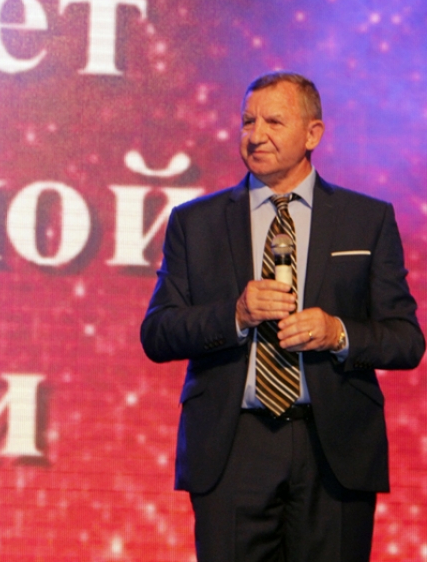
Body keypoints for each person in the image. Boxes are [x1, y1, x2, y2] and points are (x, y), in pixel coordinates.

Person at [140, 72, 424, 561]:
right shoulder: (196, 222)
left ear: (313, 134)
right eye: (247, 121)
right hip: (234, 446)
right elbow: (158, 332)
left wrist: (337, 332)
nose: (255, 135)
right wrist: (235, 315)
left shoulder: (367, 220)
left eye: (273, 122)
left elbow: (405, 340)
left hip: (333, 448)